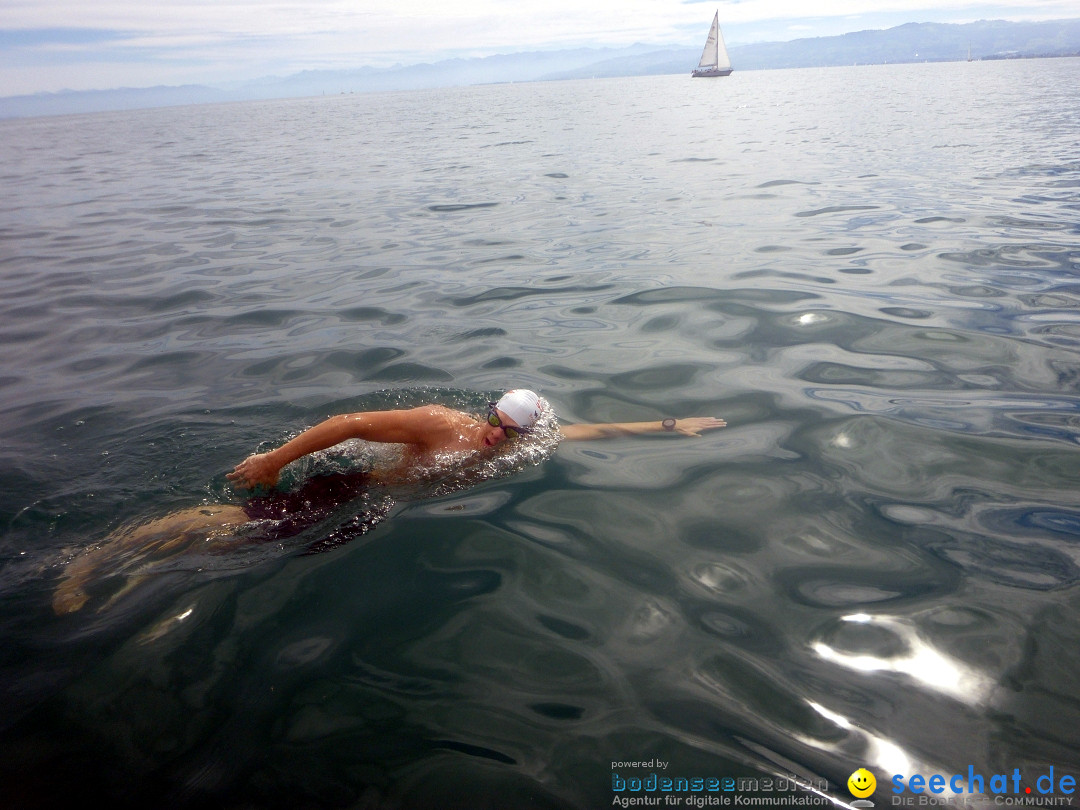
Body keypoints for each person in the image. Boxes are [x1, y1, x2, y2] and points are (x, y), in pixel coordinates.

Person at [52, 390, 725, 614]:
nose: (496, 434)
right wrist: (274, 459)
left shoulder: (519, 448)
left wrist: (674, 426)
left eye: (510, 430)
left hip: (373, 512)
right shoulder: (441, 423)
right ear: (486, 408)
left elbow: (595, 430)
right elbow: (349, 425)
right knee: (229, 523)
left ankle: (139, 566)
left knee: (240, 544)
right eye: (494, 418)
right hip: (353, 487)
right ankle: (92, 562)